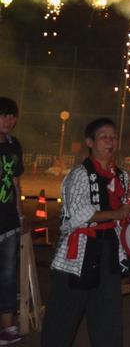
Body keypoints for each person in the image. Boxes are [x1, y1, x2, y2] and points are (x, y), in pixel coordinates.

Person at [42, 117, 130, 347]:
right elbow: (77, 215)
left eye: (113, 137)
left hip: (109, 252)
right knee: (62, 319)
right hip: (79, 254)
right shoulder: (79, 174)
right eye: (104, 137)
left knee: (107, 318)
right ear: (90, 142)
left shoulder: (122, 176)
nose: (110, 141)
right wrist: (116, 213)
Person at [0, 98, 23, 346]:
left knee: (7, 275)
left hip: (8, 222)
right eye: (4, 115)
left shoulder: (14, 145)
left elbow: (16, 182)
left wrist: (19, 215)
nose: (9, 120)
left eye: (12, 116)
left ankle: (7, 328)